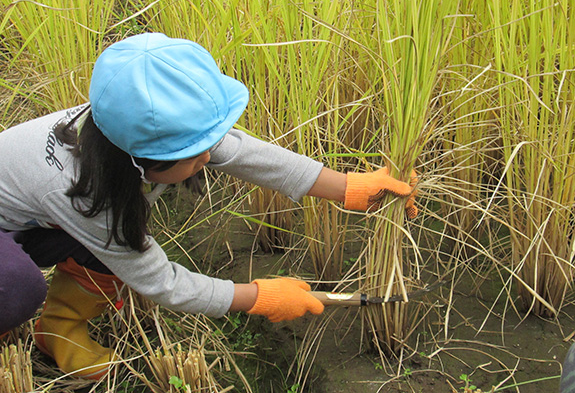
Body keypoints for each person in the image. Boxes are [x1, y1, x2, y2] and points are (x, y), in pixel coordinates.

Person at [0, 33, 417, 380]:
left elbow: (237, 151)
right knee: (17, 288)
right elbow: (162, 282)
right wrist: (257, 297)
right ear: (144, 159)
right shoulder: (85, 194)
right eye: (196, 154)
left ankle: (58, 330)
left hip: (29, 216)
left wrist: (347, 186)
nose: (209, 159)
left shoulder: (119, 132)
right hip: (18, 223)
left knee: (116, 240)